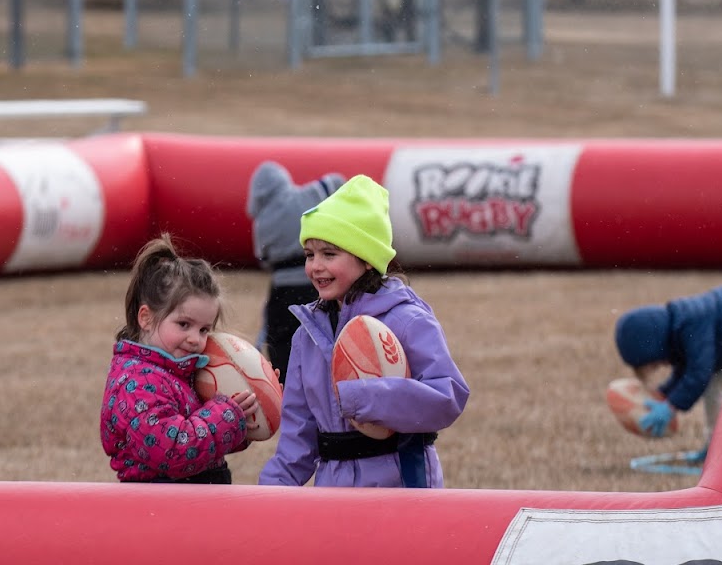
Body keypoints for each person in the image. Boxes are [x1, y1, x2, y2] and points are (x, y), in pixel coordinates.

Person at [259, 174, 469, 489]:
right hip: (333, 495)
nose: (316, 266)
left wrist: (370, 399)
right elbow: (298, 436)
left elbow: (448, 396)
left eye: (329, 254)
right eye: (309, 254)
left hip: (403, 489)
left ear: (367, 260)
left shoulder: (407, 321)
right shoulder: (307, 336)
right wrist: (272, 491)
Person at [100, 233, 256, 484]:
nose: (196, 339)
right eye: (184, 324)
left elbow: (204, 444)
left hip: (189, 507)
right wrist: (226, 416)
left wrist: (247, 413)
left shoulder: (180, 372)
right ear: (146, 318)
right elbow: (173, 452)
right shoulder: (136, 383)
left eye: (204, 329)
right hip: (159, 511)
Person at [614, 280, 722, 457]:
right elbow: (684, 372)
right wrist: (663, 396)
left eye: (654, 363)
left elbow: (699, 372)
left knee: (719, 385)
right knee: (715, 385)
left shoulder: (693, 322)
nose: (661, 365)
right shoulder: (678, 328)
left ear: (655, 345)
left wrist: (670, 407)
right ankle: (717, 449)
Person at [246, 161, 345, 382]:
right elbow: (337, 181)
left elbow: (262, 258)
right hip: (316, 285)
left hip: (282, 293)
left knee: (281, 346)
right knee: (322, 339)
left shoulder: (262, 222)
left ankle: (286, 391)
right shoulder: (307, 197)